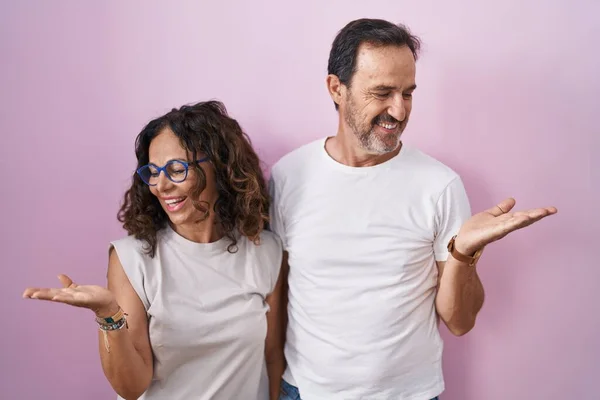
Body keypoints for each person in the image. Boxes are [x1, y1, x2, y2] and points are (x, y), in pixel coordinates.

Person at [269, 18, 557, 400]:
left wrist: (463, 253)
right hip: (304, 391)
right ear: (336, 88)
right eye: (383, 92)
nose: (399, 111)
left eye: (408, 93)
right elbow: (278, 300)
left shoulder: (439, 186)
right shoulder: (288, 176)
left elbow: (460, 321)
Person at [23, 100, 286, 400]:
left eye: (176, 169)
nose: (160, 185)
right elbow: (131, 386)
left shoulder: (265, 252)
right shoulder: (132, 258)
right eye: (153, 171)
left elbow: (273, 356)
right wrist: (109, 314)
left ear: (220, 167)